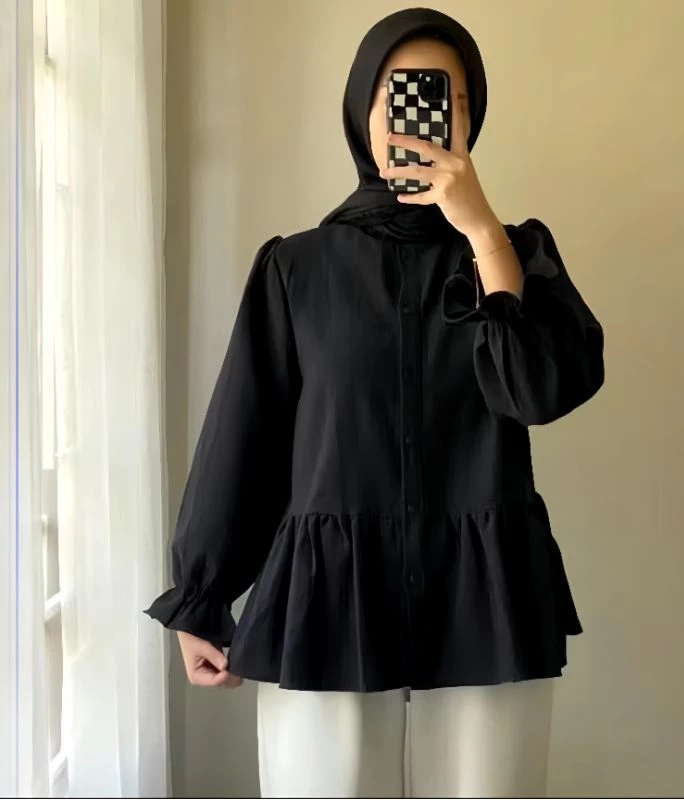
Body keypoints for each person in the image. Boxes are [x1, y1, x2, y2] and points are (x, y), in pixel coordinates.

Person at [146, 7, 604, 798]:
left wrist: (484, 236)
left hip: (486, 605)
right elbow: (247, 435)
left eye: (447, 98)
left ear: (471, 118)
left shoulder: (517, 254)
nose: (421, 114)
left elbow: (537, 391)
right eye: (400, 93)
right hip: (326, 609)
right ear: (362, 109)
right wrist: (200, 595)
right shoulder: (297, 269)